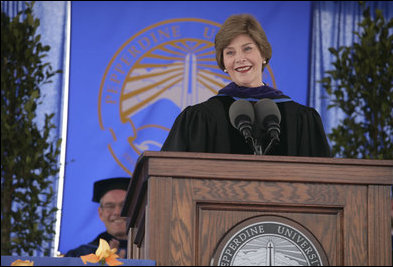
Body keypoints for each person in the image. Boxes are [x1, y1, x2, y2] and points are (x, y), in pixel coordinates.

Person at [161, 14, 330, 157]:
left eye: (247, 49)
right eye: (230, 52)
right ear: (224, 63)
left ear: (263, 54)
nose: (239, 58)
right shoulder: (200, 118)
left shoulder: (301, 118)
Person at [65, 177, 130, 258]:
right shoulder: (80, 256)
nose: (117, 212)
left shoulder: (148, 253)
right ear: (100, 213)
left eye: (123, 205)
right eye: (110, 206)